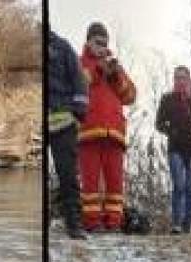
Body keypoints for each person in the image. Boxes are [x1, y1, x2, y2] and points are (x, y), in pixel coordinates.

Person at [78, 22, 137, 232]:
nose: (102, 46)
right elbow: (78, 84)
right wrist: (96, 70)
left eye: (105, 43)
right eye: (98, 42)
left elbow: (130, 96)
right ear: (88, 42)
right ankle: (92, 224)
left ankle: (113, 224)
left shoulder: (115, 67)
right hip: (88, 131)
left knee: (115, 184)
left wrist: (116, 76)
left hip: (115, 133)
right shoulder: (80, 62)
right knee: (90, 182)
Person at [155, 66, 191, 234]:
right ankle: (176, 224)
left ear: (189, 80)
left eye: (183, 77)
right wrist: (170, 130)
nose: (180, 81)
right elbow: (158, 124)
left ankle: (188, 224)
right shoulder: (167, 99)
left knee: (190, 187)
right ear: (174, 80)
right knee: (178, 185)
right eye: (177, 77)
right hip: (175, 148)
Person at [47, 28, 89, 239]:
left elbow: (79, 79)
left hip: (63, 121)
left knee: (68, 174)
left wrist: (79, 111)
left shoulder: (62, 47)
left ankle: (74, 224)